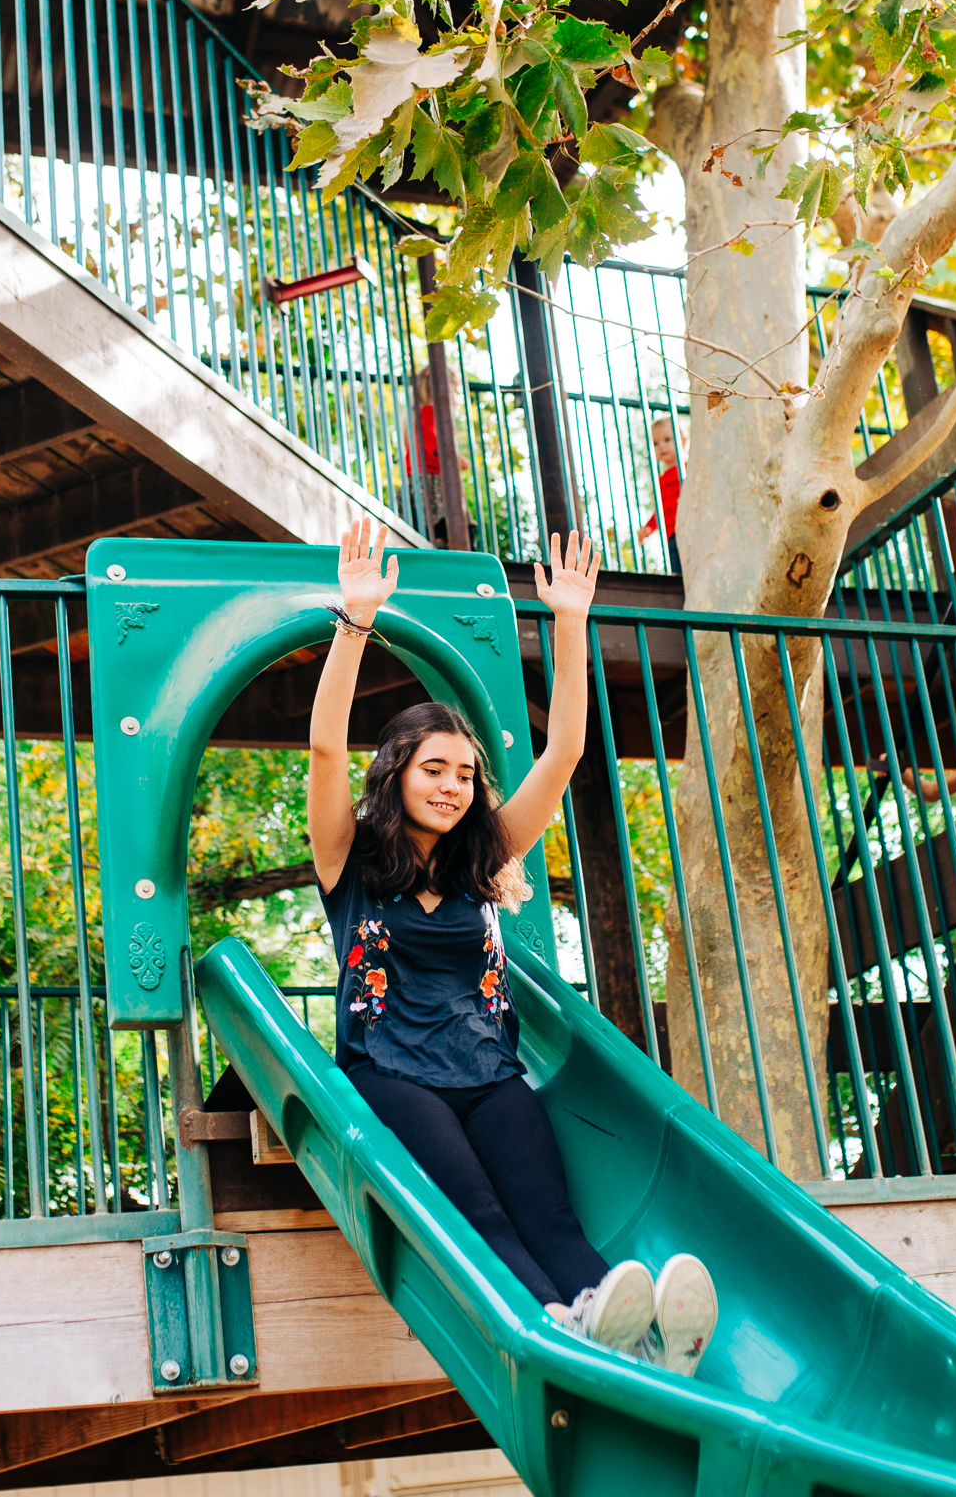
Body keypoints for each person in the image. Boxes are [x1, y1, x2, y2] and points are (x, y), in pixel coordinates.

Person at [307, 516, 719, 1372]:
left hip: (490, 1074)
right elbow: (321, 746)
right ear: (395, 773)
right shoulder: (347, 859)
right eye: (433, 769)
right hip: (393, 1074)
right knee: (485, 1218)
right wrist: (354, 623)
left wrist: (568, 621)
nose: (453, 787)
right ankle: (559, 1328)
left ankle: (647, 1337)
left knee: (551, 1219)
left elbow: (564, 751)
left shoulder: (484, 856)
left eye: (463, 774)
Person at [407, 365, 474, 547]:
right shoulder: (430, 414)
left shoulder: (421, 415)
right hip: (431, 481)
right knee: (450, 527)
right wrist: (458, 459)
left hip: (424, 480)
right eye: (457, 391)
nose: (459, 397)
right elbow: (436, 446)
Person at [639, 416, 683, 575]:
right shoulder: (660, 481)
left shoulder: (687, 469)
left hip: (688, 529)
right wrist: (649, 526)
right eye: (656, 443)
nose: (661, 446)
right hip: (672, 535)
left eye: (667, 439)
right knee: (676, 566)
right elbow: (661, 510)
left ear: (683, 440)